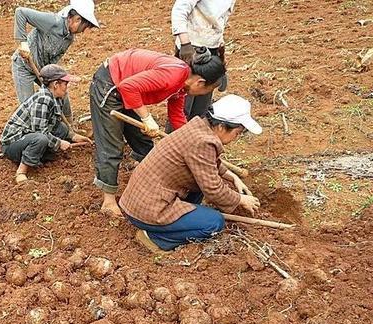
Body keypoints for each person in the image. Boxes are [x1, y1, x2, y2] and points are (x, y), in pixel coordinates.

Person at [89, 47, 226, 217]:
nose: (204, 94)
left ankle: (144, 183)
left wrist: (191, 139)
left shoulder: (182, 86)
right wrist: (146, 118)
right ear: (200, 82)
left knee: (143, 141)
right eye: (207, 90)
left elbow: (176, 116)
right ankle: (108, 202)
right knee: (111, 146)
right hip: (110, 84)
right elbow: (128, 87)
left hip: (128, 89)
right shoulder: (174, 75)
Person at [119, 94, 262, 252]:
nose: (237, 137)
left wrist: (234, 177)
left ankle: (184, 217)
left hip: (139, 200)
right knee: (214, 223)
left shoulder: (198, 127)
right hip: (149, 210)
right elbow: (213, 190)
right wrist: (241, 199)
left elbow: (208, 164)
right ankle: (155, 238)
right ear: (221, 126)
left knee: (201, 184)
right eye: (237, 132)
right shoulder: (203, 142)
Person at [1, 65, 92, 184]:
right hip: (13, 143)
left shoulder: (56, 98)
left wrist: (74, 136)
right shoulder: (43, 100)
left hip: (28, 136)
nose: (67, 87)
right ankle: (21, 171)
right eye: (65, 84)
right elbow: (39, 131)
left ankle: (38, 155)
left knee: (62, 128)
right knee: (41, 139)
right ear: (55, 84)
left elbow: (53, 124)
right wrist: (59, 143)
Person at [12, 0, 99, 118]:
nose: (83, 31)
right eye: (84, 27)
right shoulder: (53, 22)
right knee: (29, 106)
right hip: (24, 66)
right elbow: (21, 13)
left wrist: (53, 77)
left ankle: (69, 127)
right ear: (77, 19)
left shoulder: (69, 38)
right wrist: (23, 43)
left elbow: (55, 59)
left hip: (43, 69)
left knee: (61, 94)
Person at [170, 0, 236, 123]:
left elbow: (221, 18)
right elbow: (179, 10)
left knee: (202, 103)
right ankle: (176, 137)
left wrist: (220, 49)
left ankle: (195, 136)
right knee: (184, 102)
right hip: (191, 47)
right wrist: (185, 43)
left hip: (212, 47)